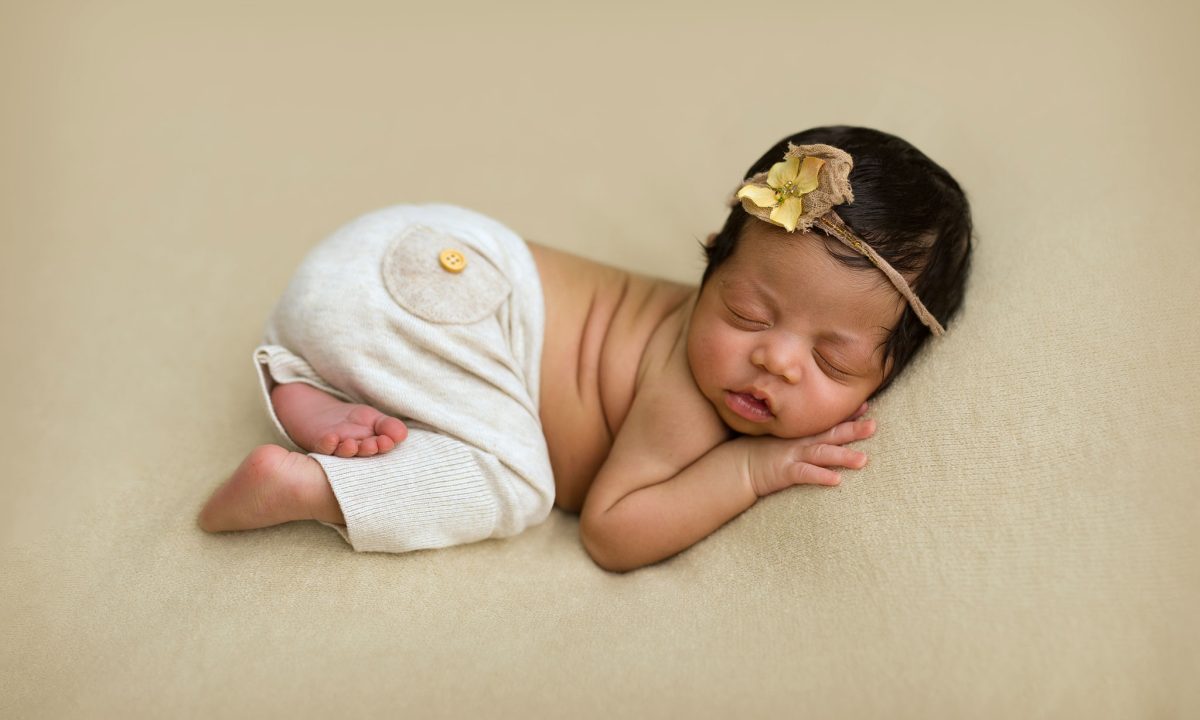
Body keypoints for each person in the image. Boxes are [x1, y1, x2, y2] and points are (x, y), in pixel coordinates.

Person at [198, 125, 973, 572]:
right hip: (455, 293)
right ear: (709, 262)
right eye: (745, 311)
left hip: (375, 263)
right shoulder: (688, 397)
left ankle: (309, 389)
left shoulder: (730, 342)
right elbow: (611, 530)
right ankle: (310, 488)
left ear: (890, 372)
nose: (775, 359)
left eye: (832, 361)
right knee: (517, 484)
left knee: (425, 388)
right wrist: (748, 469)